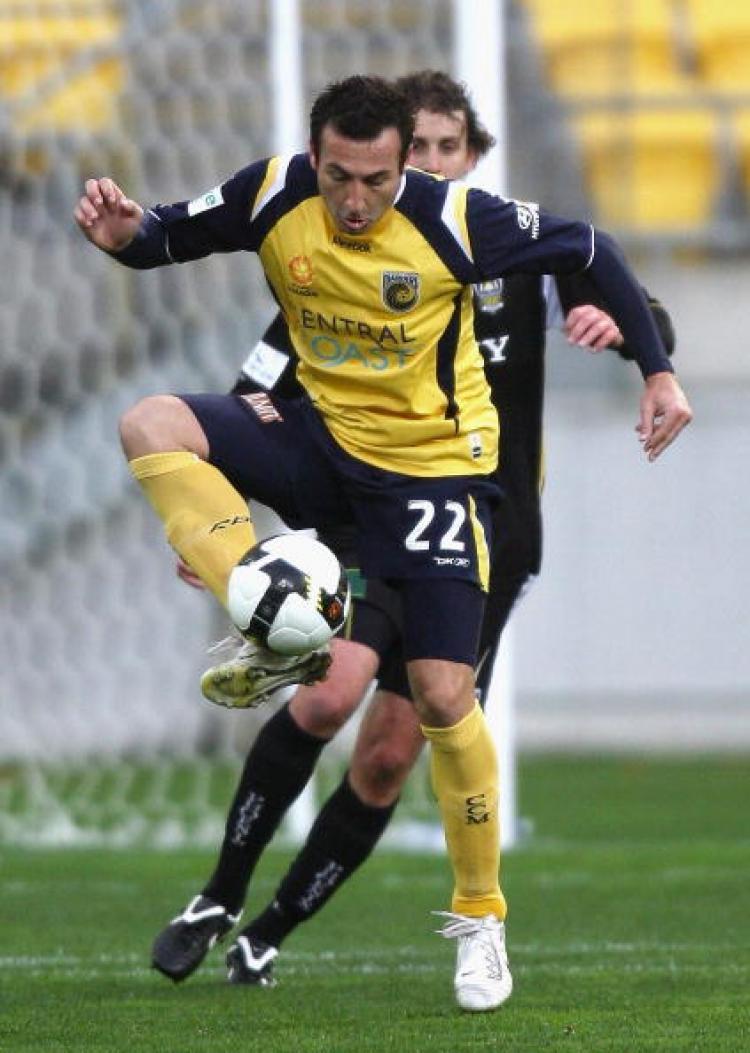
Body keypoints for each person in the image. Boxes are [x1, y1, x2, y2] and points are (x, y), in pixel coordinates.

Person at [74, 74, 691, 1012]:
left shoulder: (463, 224)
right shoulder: (277, 192)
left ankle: (480, 921)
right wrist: (123, 238)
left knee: (438, 700)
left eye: (375, 179)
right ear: (314, 157)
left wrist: (657, 371)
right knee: (151, 421)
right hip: (325, 450)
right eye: (338, 177)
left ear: (411, 163)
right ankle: (254, 602)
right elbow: (161, 237)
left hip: (437, 482)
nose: (354, 201)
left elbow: (594, 246)